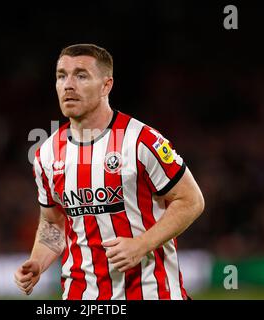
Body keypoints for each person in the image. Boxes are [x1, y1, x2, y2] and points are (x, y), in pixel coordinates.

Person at [14, 43, 205, 300]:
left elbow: (191, 200)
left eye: (81, 75)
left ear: (106, 85)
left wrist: (141, 245)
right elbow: (53, 222)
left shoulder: (141, 140)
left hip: (150, 292)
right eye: (62, 76)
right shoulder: (47, 153)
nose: (68, 85)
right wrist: (38, 261)